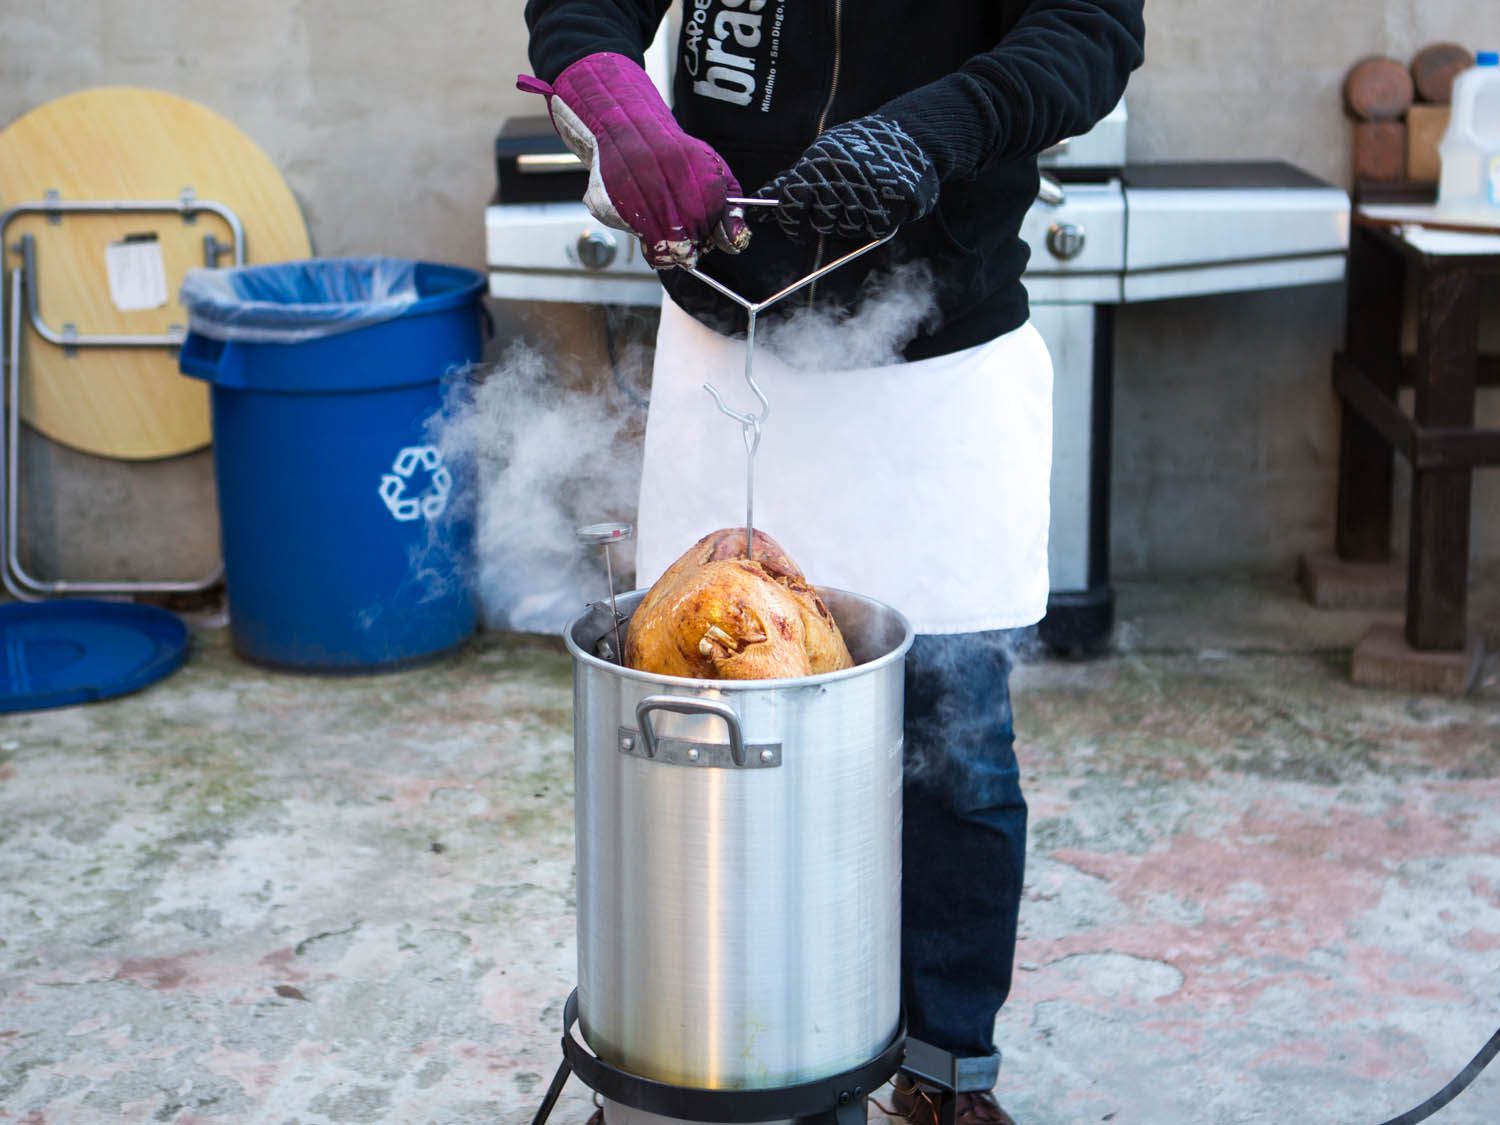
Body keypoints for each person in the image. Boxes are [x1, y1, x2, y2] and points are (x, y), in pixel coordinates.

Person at [520, 3, 1146, 1122]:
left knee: (956, 757)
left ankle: (946, 1068)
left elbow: (1085, 33)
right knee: (716, 744)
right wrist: (613, 94)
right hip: (729, 339)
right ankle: (750, 1048)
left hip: (934, 361)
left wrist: (933, 131)